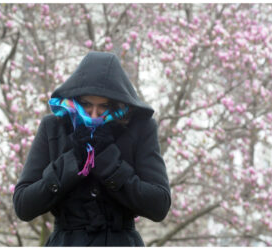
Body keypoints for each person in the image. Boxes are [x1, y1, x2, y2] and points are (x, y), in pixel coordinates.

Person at [13, 51, 171, 246]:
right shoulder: (53, 127)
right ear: (75, 99)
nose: (93, 114)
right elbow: (23, 205)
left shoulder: (141, 128)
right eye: (86, 104)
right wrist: (73, 161)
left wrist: (108, 162)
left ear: (117, 104)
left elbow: (159, 204)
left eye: (103, 106)